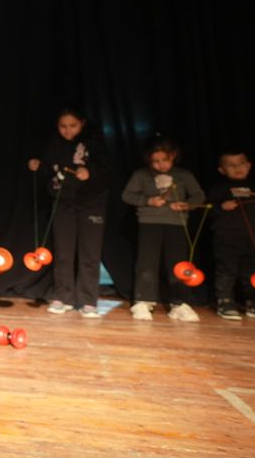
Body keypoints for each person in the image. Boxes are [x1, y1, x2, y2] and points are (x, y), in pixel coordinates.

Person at [29, 108, 110, 318]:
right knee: (63, 251)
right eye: (63, 126)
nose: (67, 130)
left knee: (89, 252)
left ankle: (88, 300)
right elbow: (49, 168)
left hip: (91, 202)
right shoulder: (54, 143)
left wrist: (89, 172)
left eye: (72, 126)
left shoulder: (93, 142)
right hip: (63, 201)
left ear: (82, 123)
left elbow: (105, 167)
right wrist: (38, 165)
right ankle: (63, 296)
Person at [120, 138, 206, 322]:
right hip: (149, 222)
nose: (161, 165)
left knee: (178, 265)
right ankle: (143, 301)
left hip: (177, 223)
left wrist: (187, 204)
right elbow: (127, 195)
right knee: (147, 263)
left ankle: (179, 303)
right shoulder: (141, 175)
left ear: (173, 156)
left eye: (165, 160)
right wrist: (148, 201)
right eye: (156, 161)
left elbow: (198, 196)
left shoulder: (183, 175)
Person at [205, 149, 255, 320]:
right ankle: (225, 302)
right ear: (222, 170)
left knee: (254, 272)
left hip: (254, 237)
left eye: (241, 164)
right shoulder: (218, 189)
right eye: (231, 165)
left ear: (249, 165)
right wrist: (221, 207)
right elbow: (206, 211)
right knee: (227, 271)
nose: (237, 168)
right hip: (227, 237)